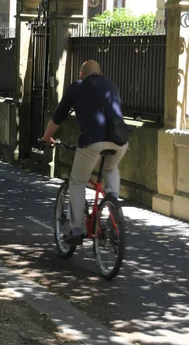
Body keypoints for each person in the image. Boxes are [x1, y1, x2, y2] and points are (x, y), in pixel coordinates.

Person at [41, 60, 128, 245]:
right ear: (101, 73)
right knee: (110, 169)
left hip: (93, 141)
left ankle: (76, 229)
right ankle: (113, 208)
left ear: (81, 74)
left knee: (78, 182)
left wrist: (47, 137)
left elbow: (58, 117)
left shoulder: (76, 87)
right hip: (120, 140)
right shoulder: (111, 85)